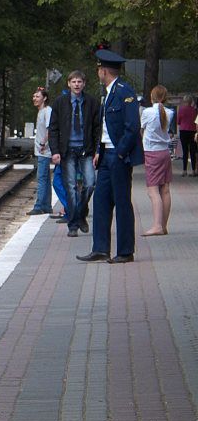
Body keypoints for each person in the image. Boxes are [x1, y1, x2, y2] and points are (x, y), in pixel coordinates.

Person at [78, 49, 143, 264]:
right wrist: (99, 150)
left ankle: (125, 251)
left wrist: (121, 152)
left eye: (98, 69)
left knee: (122, 202)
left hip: (119, 155)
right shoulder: (108, 93)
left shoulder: (125, 92)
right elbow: (105, 127)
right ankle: (100, 248)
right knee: (101, 201)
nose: (98, 72)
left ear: (103, 71)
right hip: (106, 155)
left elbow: (132, 127)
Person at [48, 70, 102, 238]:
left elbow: (97, 128)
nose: (77, 84)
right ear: (69, 84)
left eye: (80, 82)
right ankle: (73, 224)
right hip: (67, 150)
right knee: (70, 187)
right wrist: (55, 151)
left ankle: (81, 213)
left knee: (90, 184)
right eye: (74, 82)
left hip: (86, 149)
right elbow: (54, 129)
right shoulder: (60, 102)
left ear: (84, 84)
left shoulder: (92, 102)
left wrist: (98, 150)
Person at [141, 85, 175, 236]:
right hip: (165, 152)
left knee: (153, 191)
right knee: (165, 190)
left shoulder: (147, 112)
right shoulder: (170, 112)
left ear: (152, 96)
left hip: (152, 153)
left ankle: (156, 226)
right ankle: (164, 225)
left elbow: (141, 129)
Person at [29, 87, 53, 215]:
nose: (34, 99)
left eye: (37, 96)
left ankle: (39, 206)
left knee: (42, 178)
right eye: (34, 96)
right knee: (45, 178)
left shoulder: (47, 111)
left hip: (44, 150)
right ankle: (47, 206)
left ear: (44, 98)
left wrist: (43, 143)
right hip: (41, 150)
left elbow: (50, 129)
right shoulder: (41, 111)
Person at [178, 94, 197, 176]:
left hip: (183, 131)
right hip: (192, 131)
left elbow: (178, 121)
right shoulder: (195, 110)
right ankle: (193, 170)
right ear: (191, 101)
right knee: (193, 151)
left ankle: (184, 170)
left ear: (184, 101)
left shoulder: (181, 109)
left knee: (185, 151)